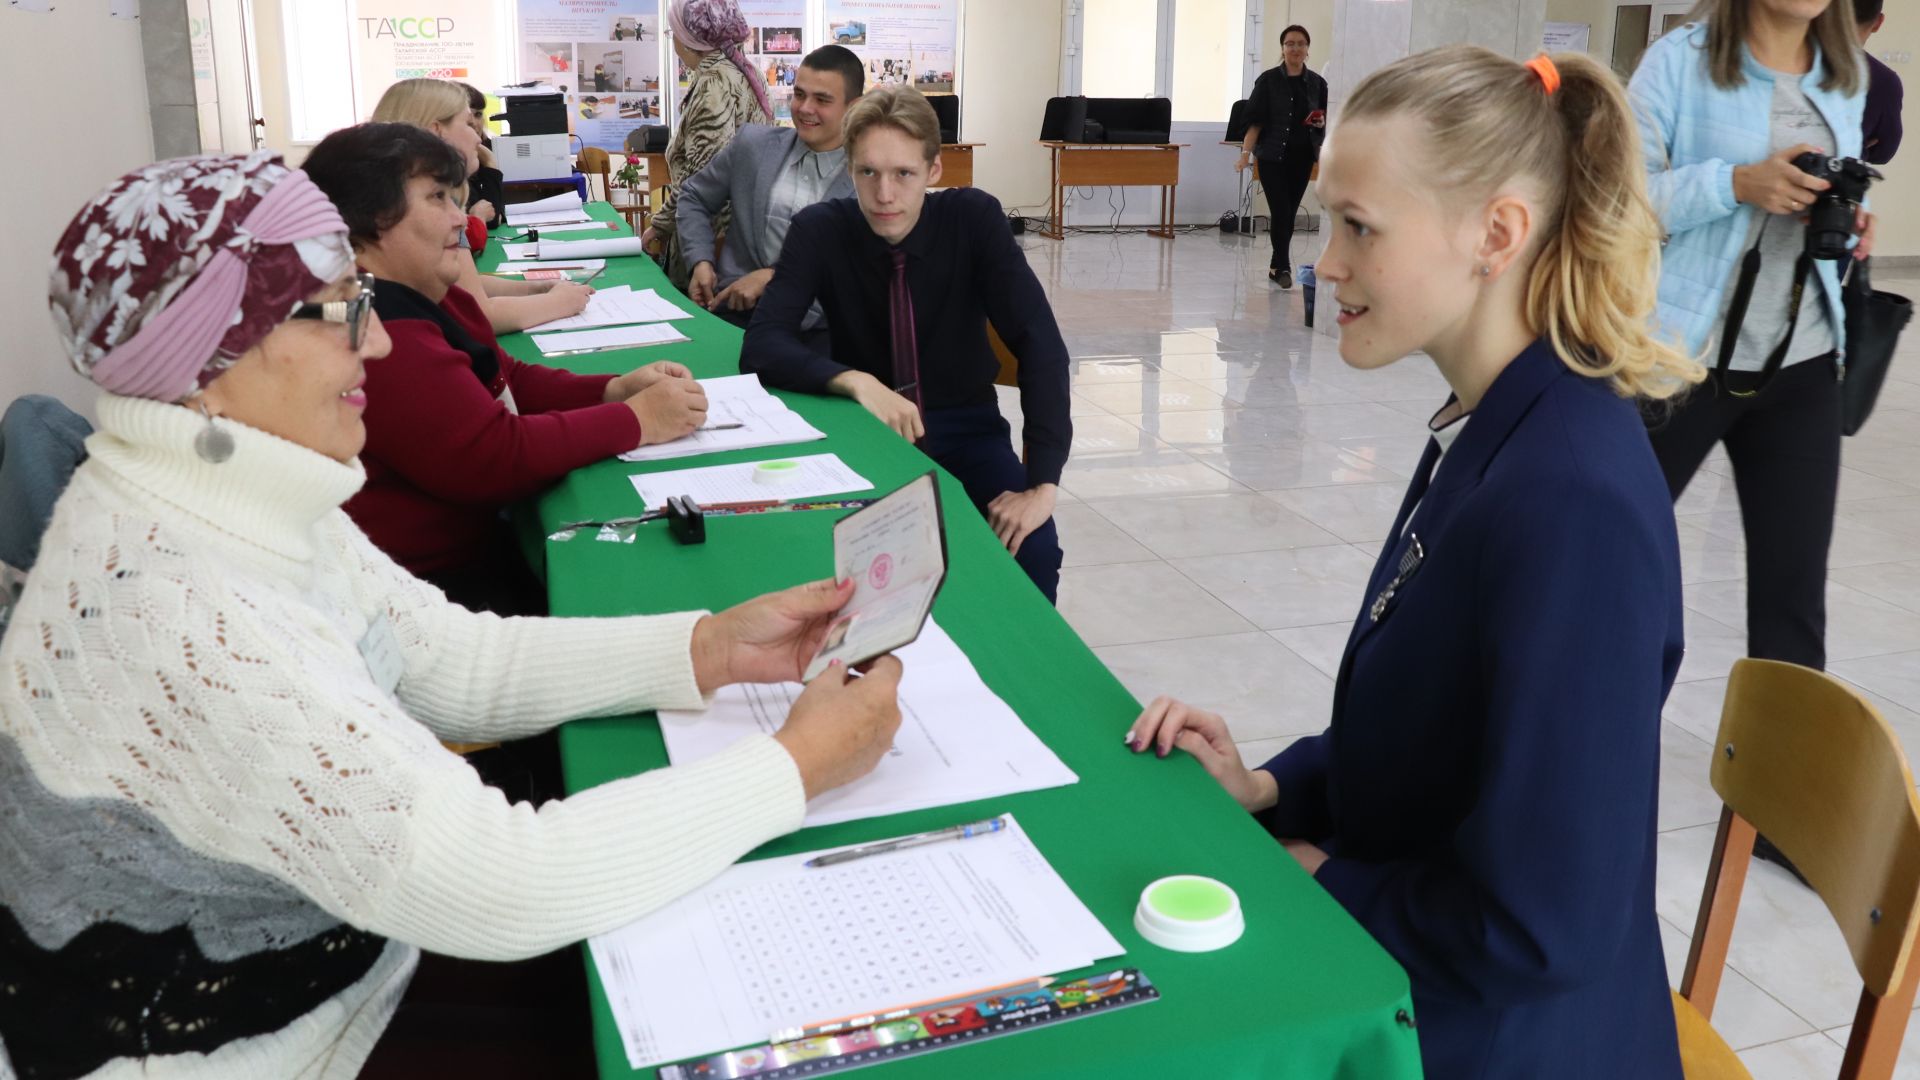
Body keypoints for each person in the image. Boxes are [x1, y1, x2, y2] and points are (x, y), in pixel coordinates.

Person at [4, 149, 903, 1079]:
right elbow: (511, 884)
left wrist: (709, 647)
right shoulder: (188, 612)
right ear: (210, 361)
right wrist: (795, 767)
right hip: (302, 1047)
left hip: (343, 974)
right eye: (341, 308)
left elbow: (449, 658)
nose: (380, 342)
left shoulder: (230, 486)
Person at [1130, 49, 1706, 1078]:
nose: (1328, 262)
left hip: (1503, 1041)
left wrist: (1318, 880)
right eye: (1328, 222)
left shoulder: (1570, 499)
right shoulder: (1497, 420)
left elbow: (1544, 927)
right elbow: (1426, 734)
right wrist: (1270, 789)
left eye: (1359, 226)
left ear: (1496, 235)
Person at [303, 123, 709, 616]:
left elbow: (503, 376)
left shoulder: (427, 292)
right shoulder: (385, 330)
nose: (460, 219)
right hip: (430, 590)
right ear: (370, 218)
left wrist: (613, 389)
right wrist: (637, 420)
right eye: (438, 199)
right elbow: (493, 458)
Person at [742, 87, 1071, 603]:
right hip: (863, 430)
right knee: (847, 565)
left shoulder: (974, 221)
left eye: (903, 174)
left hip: (966, 428)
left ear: (934, 172)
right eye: (868, 172)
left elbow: (1041, 344)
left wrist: (1043, 486)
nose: (885, 194)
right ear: (848, 169)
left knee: (1033, 549)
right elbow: (761, 345)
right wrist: (855, 381)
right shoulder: (820, 230)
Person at [371, 78, 593, 335]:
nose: (478, 135)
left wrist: (535, 288)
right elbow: (479, 315)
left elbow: (463, 285)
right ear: (436, 131)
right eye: (468, 123)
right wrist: (559, 303)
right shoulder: (420, 208)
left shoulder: (421, 195)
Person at [676, 44, 864, 345]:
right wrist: (700, 260)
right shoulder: (753, 146)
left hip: (821, 330)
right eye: (800, 94)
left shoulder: (870, 177)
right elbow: (694, 197)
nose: (804, 108)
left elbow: (862, 270)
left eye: (822, 99)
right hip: (736, 320)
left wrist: (776, 277)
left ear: (854, 107)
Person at [644, 0, 776, 290]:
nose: (674, 41)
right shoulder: (749, 73)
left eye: (673, 33)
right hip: (741, 233)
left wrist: (661, 224)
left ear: (690, 40)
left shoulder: (713, 83)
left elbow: (699, 177)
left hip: (707, 239)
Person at [1238, 25, 1328, 288]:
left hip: (1301, 157)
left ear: (1307, 49)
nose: (1295, 48)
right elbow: (1255, 122)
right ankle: (1283, 266)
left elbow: (1324, 119)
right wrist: (1245, 154)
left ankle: (1276, 267)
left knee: (1288, 214)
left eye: (1301, 44)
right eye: (1290, 44)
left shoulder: (1318, 84)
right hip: (1271, 157)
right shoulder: (1268, 81)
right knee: (1281, 210)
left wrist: (1321, 124)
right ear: (1283, 48)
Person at [1857, 0, 1903, 163]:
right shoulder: (1883, 81)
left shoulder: (1792, 59)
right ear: (1878, 22)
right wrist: (1858, 146)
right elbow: (1883, 153)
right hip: (1841, 181)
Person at [455, 81, 505, 229]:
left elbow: (492, 212)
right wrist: (489, 162)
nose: (474, 123)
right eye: (467, 116)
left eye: (478, 114)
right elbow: (491, 219)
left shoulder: (488, 146)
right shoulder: (449, 162)